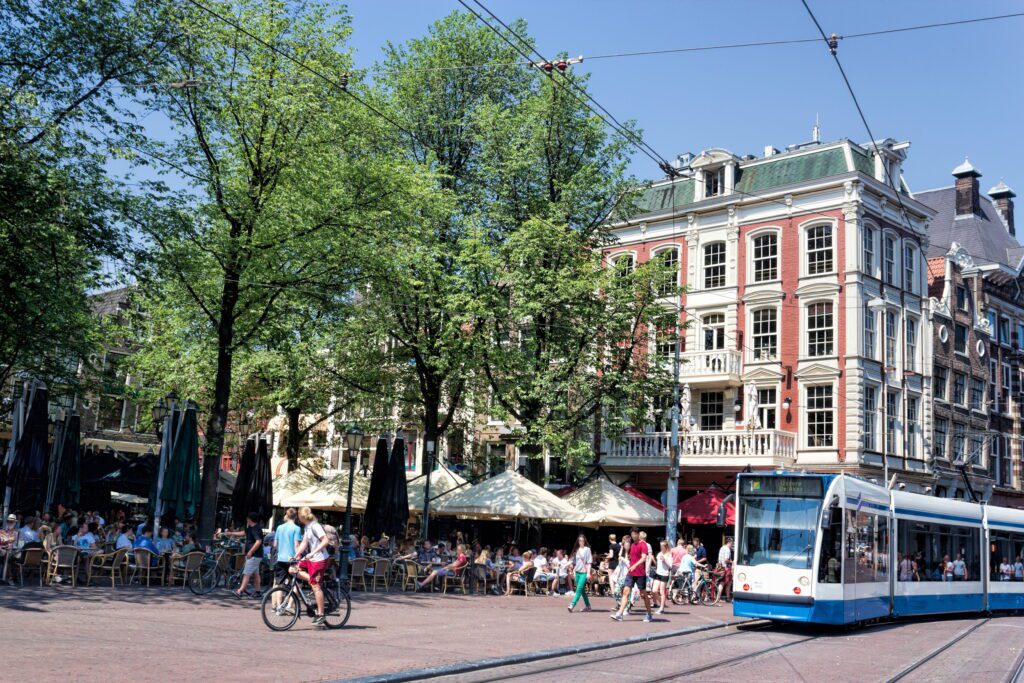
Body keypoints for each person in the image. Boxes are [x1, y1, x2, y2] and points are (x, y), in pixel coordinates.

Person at [290, 507, 331, 626]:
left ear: (301, 516)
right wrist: (296, 555)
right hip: (310, 558)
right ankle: (312, 580)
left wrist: (314, 552)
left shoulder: (315, 526)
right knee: (292, 569)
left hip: (319, 559)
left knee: (316, 587)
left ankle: (321, 614)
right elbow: (304, 543)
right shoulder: (307, 527)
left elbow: (325, 541)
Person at [611, 528, 653, 623]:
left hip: (640, 573)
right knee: (626, 591)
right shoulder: (632, 545)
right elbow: (631, 557)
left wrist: (634, 565)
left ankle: (649, 614)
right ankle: (620, 614)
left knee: (643, 594)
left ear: (638, 534)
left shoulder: (643, 545)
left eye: (635, 534)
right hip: (631, 572)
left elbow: (643, 558)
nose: (633, 536)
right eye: (632, 534)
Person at [227, 512, 264, 599]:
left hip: (254, 555)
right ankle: (258, 592)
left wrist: (251, 551)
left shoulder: (256, 529)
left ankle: (240, 591)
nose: (246, 519)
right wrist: (231, 533)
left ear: (250, 519)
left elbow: (258, 541)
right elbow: (243, 533)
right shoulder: (250, 528)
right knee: (255, 574)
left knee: (247, 573)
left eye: (247, 518)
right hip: (255, 555)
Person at [272, 508, 303, 597]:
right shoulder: (297, 528)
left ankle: (278, 607)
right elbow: (296, 545)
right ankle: (290, 605)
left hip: (280, 558)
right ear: (296, 517)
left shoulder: (279, 527)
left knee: (279, 584)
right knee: (297, 582)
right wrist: (299, 557)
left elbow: (275, 544)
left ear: (286, 515)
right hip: (292, 559)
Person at [567, 535, 592, 613]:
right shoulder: (577, 550)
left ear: (585, 541)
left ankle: (572, 605)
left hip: (584, 573)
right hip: (577, 572)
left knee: (578, 589)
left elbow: (589, 562)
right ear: (578, 541)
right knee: (582, 590)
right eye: (580, 540)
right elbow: (573, 561)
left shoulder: (587, 549)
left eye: (582, 540)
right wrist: (567, 566)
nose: (581, 542)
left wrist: (588, 573)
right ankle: (588, 606)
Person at [652, 540, 673, 614]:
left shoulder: (669, 555)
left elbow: (670, 566)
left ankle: (662, 608)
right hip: (658, 573)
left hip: (664, 574)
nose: (661, 547)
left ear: (666, 547)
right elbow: (657, 564)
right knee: (654, 590)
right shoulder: (659, 554)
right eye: (660, 546)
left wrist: (665, 560)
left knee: (661, 591)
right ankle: (662, 603)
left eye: (662, 546)